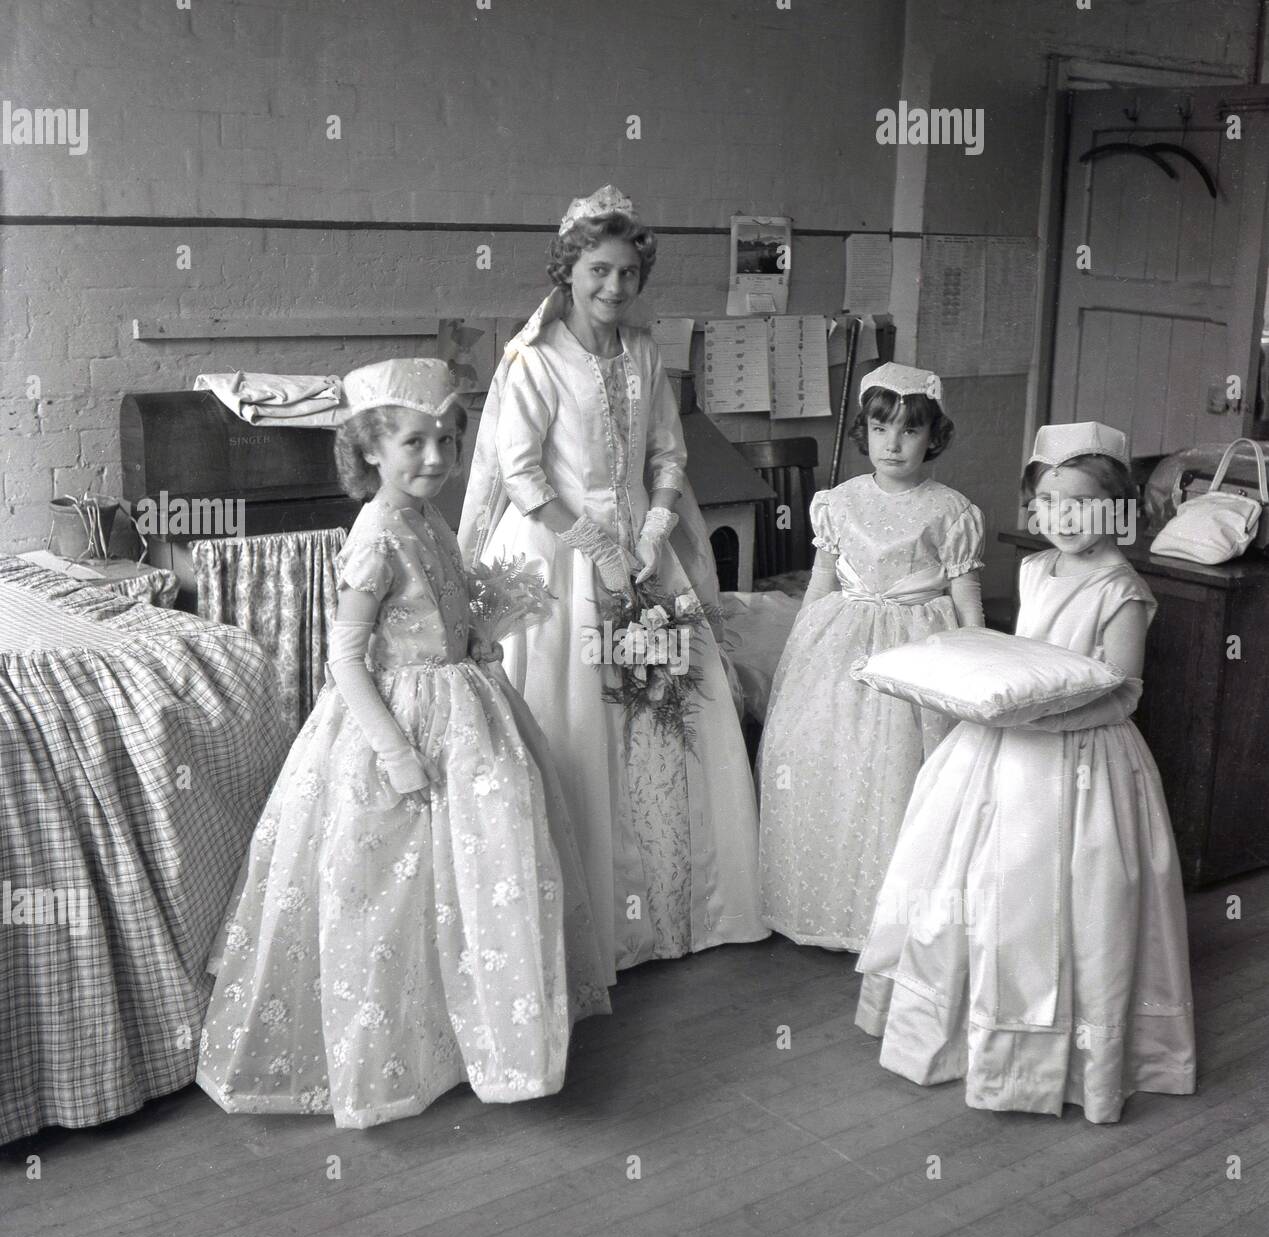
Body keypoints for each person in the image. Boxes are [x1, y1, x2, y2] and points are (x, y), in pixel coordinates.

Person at [197, 359, 610, 1129]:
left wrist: (483, 636)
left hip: (464, 705)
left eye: (447, 442)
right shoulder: (377, 535)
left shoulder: (428, 521)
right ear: (368, 453)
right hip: (398, 720)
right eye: (413, 443)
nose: (434, 459)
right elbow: (346, 660)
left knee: (474, 870)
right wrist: (394, 751)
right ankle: (393, 1047)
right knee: (385, 886)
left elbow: (438, 614)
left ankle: (468, 1035)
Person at [459, 185, 765, 971]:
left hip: (643, 547)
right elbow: (521, 475)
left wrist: (659, 519)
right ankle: (587, 928)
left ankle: (681, 912)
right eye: (598, 270)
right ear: (568, 270)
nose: (614, 287)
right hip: (557, 554)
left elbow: (667, 452)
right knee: (575, 722)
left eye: (628, 272)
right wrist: (593, 542)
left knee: (671, 711)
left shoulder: (644, 353)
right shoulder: (533, 360)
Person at [855, 422, 1195, 1123]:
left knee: (1064, 893)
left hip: (1080, 755)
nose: (1063, 517)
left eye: (1082, 501)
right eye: (1048, 501)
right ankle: (958, 1023)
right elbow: (1020, 657)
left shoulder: (1120, 589)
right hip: (1002, 742)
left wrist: (1041, 720)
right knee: (966, 874)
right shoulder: (1034, 568)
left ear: (1115, 507)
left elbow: (1123, 689)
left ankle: (1062, 1053)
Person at [758, 363, 985, 951]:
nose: (893, 443)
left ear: (932, 437)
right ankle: (823, 902)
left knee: (899, 771)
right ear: (865, 431)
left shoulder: (950, 509)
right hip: (844, 640)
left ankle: (891, 917)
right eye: (881, 428)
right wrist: (801, 648)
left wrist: (978, 661)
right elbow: (821, 581)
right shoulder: (838, 502)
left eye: (909, 431)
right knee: (828, 759)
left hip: (919, 646)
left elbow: (964, 594)